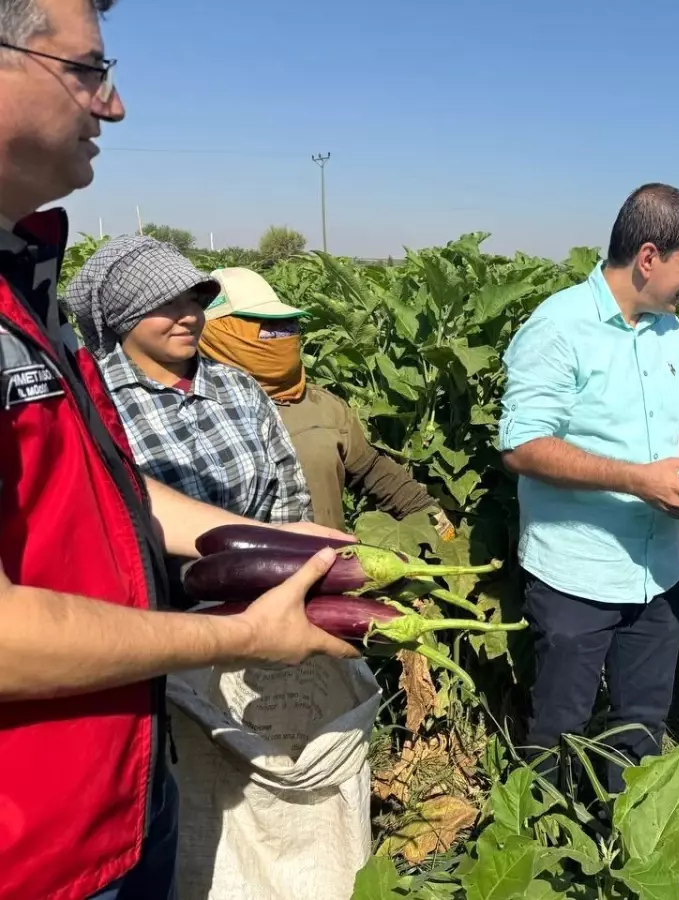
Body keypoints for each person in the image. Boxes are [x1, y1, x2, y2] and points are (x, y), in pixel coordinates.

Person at [0, 3, 357, 899]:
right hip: (26, 843)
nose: (112, 105)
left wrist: (306, 553)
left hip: (110, 786)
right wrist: (236, 636)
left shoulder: (26, 291)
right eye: (87, 70)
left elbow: (117, 496)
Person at [499, 183, 679, 794]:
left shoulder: (668, 332)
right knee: (560, 728)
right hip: (578, 575)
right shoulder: (559, 326)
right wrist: (636, 480)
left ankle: (621, 851)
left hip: (657, 572)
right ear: (648, 257)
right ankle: (541, 854)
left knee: (642, 726)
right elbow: (521, 444)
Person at [63, 236, 314, 530]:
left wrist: (282, 560)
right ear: (123, 315)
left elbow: (290, 494)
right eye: (168, 304)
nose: (190, 318)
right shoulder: (92, 401)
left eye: (194, 302)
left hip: (270, 571)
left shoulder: (238, 387)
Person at [197, 266, 454, 538]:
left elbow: (371, 470)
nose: (281, 334)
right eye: (266, 326)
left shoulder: (321, 404)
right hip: (237, 575)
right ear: (217, 334)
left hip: (329, 569)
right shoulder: (188, 413)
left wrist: (432, 518)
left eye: (286, 325)